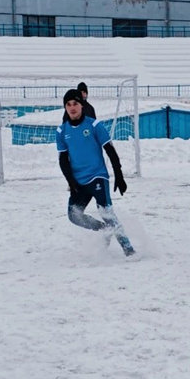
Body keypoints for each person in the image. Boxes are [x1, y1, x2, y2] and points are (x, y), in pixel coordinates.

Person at [57, 89, 135, 257]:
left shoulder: (94, 125)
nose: (72, 107)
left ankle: (128, 249)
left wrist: (119, 176)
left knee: (106, 212)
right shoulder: (61, 131)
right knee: (74, 215)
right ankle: (104, 230)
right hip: (78, 181)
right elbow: (63, 160)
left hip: (97, 176)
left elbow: (110, 151)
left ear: (81, 105)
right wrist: (71, 181)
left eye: (75, 104)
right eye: (68, 104)